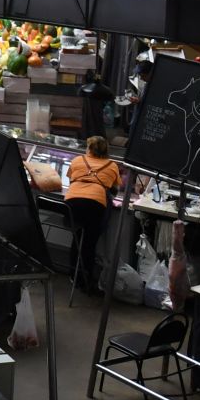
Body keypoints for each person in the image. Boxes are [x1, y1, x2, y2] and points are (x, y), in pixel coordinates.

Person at [65, 136, 121, 296]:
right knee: (89, 243)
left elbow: (71, 180)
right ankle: (84, 280)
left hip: (71, 204)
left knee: (77, 237)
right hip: (95, 205)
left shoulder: (77, 160)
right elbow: (114, 190)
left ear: (89, 149)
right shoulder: (112, 166)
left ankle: (72, 276)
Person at [78, 69, 115, 141]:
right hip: (97, 115)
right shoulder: (103, 90)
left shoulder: (85, 90)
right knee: (96, 127)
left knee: (91, 127)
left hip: (92, 114)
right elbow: (111, 96)